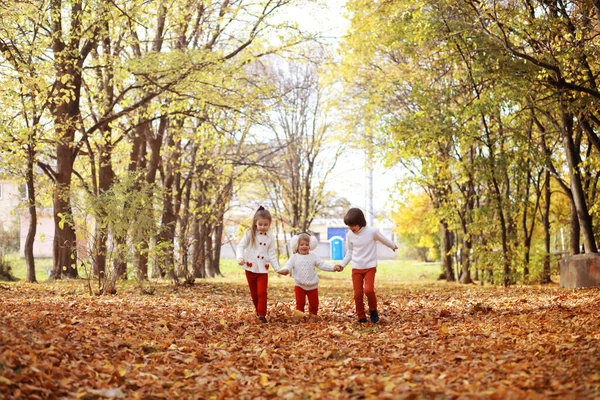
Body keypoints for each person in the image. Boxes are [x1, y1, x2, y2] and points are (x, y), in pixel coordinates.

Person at [335, 208, 398, 323]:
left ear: (360, 222)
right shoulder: (350, 235)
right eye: (349, 226)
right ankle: (361, 316)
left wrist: (392, 245)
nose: (351, 228)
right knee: (358, 293)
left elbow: (383, 239)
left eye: (353, 225)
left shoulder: (372, 231)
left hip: (370, 267)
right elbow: (350, 252)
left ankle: (373, 310)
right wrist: (342, 265)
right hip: (356, 268)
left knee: (369, 290)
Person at [279, 233, 342, 318]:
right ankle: (300, 316)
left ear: (310, 245)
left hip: (312, 285)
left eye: (306, 244)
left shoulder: (313, 257)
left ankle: (313, 315)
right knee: (300, 302)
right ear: (297, 245)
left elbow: (322, 264)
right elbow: (288, 265)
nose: (304, 246)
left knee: (314, 303)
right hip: (299, 284)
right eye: (301, 244)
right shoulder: (294, 257)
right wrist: (285, 270)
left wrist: (333, 267)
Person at [236, 206, 282, 323]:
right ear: (256, 223)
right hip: (250, 268)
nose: (263, 227)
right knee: (254, 293)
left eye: (265, 224)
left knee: (262, 292)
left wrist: (277, 269)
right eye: (260, 224)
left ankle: (262, 314)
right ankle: (258, 312)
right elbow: (241, 246)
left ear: (269, 224)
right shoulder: (250, 234)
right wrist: (240, 257)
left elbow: (272, 254)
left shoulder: (271, 237)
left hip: (262, 270)